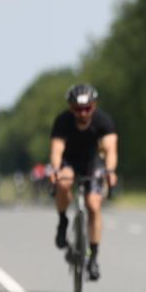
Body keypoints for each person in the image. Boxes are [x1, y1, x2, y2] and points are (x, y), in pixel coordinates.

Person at [49, 83, 118, 281]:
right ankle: (63, 221)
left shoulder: (103, 120)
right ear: (71, 108)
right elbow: (56, 150)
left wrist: (110, 171)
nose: (82, 113)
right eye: (78, 109)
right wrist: (55, 170)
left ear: (93, 106)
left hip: (92, 163)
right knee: (63, 183)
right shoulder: (62, 121)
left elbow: (110, 149)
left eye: (87, 108)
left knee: (93, 205)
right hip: (69, 161)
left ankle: (93, 258)